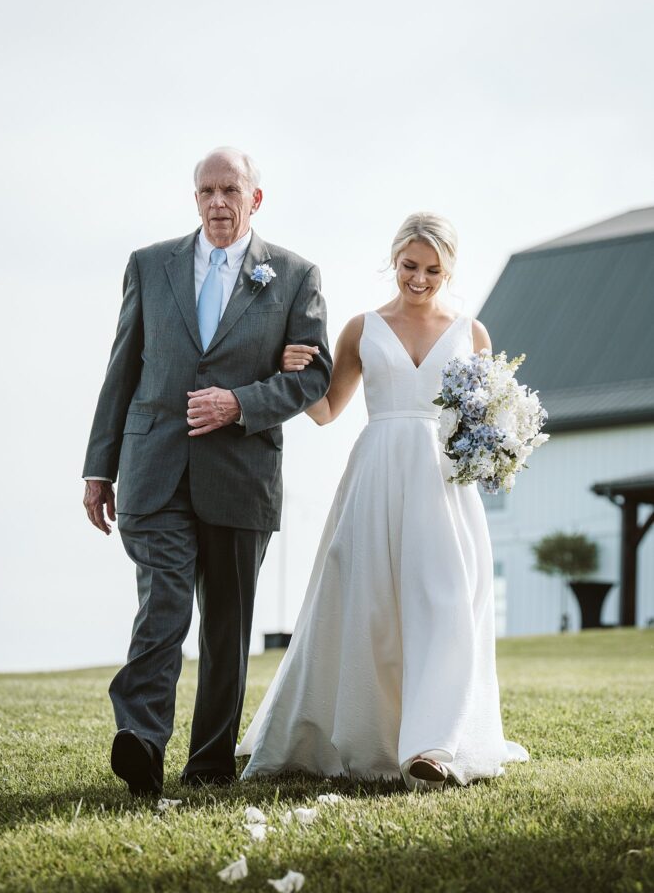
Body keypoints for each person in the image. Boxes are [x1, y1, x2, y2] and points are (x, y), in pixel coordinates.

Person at [237, 212, 528, 789]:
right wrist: (291, 370)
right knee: (367, 605)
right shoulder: (360, 329)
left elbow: (481, 420)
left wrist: (501, 445)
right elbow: (327, 411)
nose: (418, 279)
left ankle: (433, 746)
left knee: (445, 605)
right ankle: (367, 734)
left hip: (444, 488)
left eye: (432, 270)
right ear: (393, 261)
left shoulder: (473, 333)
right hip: (375, 474)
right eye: (409, 266)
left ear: (449, 270)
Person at [82, 147, 332, 795]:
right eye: (205, 191)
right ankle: (140, 740)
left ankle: (209, 766)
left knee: (227, 627)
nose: (216, 202)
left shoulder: (296, 276)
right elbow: (122, 369)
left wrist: (240, 402)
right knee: (162, 603)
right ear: (194, 198)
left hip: (241, 472)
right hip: (153, 465)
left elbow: (315, 379)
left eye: (229, 190)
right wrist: (97, 468)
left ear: (254, 198)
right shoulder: (149, 264)